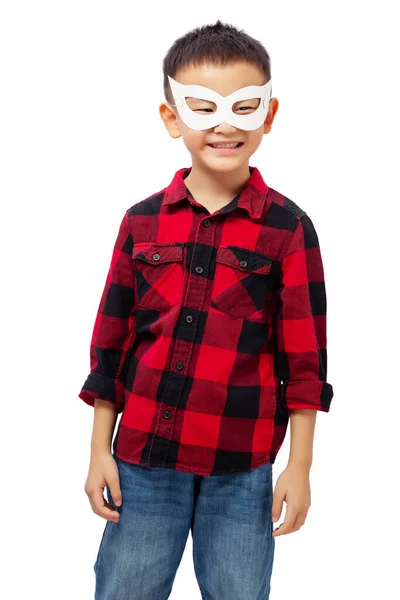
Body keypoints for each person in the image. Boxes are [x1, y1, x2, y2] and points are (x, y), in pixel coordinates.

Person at [78, 19, 334, 600]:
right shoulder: (141, 222)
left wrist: (300, 465)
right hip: (143, 460)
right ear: (173, 118)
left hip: (241, 468)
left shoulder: (290, 229)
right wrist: (98, 449)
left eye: (244, 107)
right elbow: (111, 343)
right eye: (202, 108)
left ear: (268, 116)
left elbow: (305, 361)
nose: (224, 125)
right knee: (126, 590)